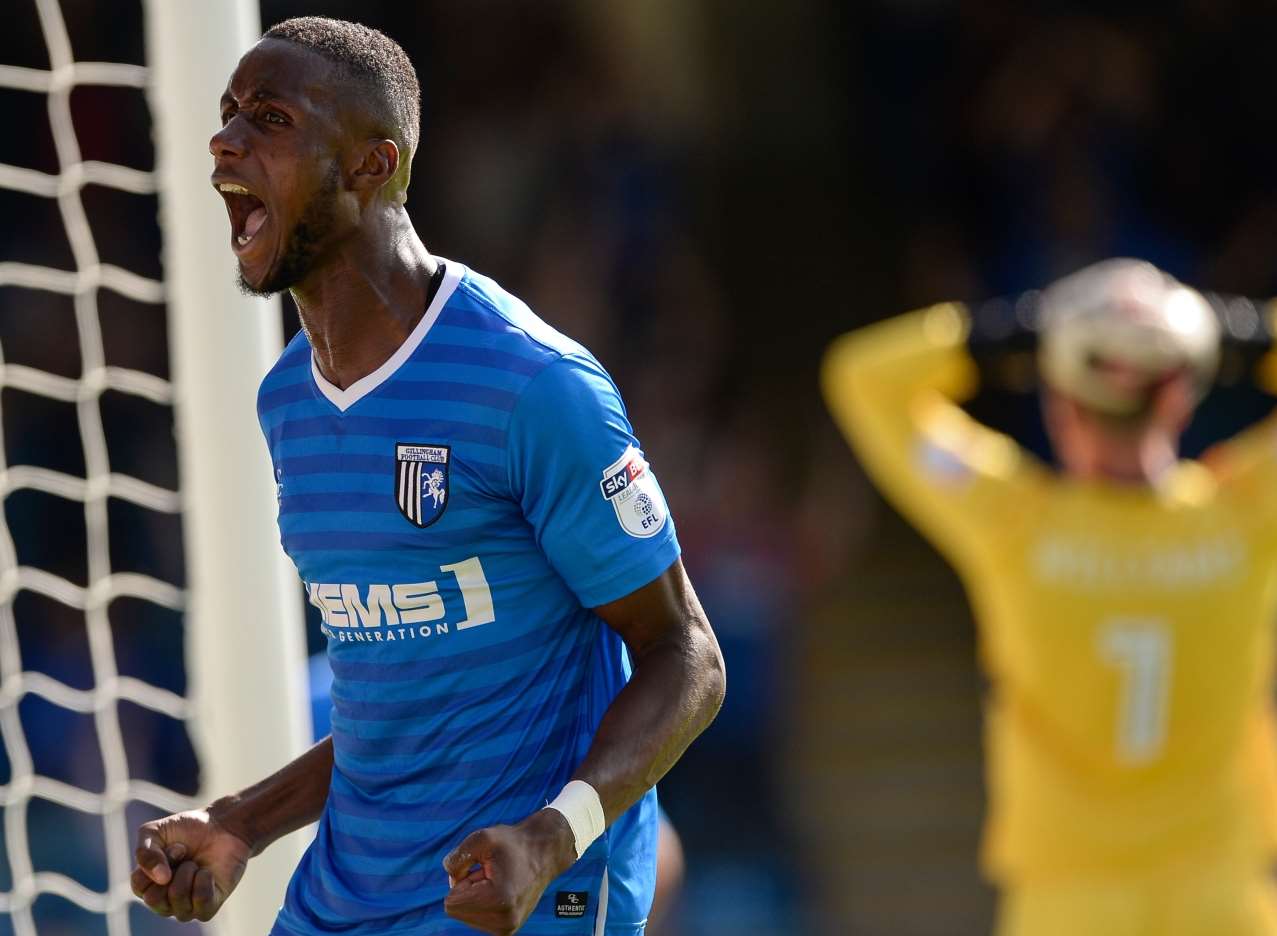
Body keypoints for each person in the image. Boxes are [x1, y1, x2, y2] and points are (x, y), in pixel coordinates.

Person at [130, 17, 724, 936]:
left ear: (373, 165)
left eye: (270, 118)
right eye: (227, 113)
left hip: (526, 896)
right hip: (349, 894)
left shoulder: (532, 385)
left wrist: (549, 836)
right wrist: (239, 822)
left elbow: (689, 658)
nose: (226, 139)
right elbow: (394, 698)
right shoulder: (288, 400)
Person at [822, 258, 1277, 936]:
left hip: (1066, 903)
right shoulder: (1240, 516)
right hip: (1220, 895)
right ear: (1180, 396)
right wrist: (1231, 329)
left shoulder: (1013, 524)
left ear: (1059, 406)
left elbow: (861, 378)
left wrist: (1020, 332)